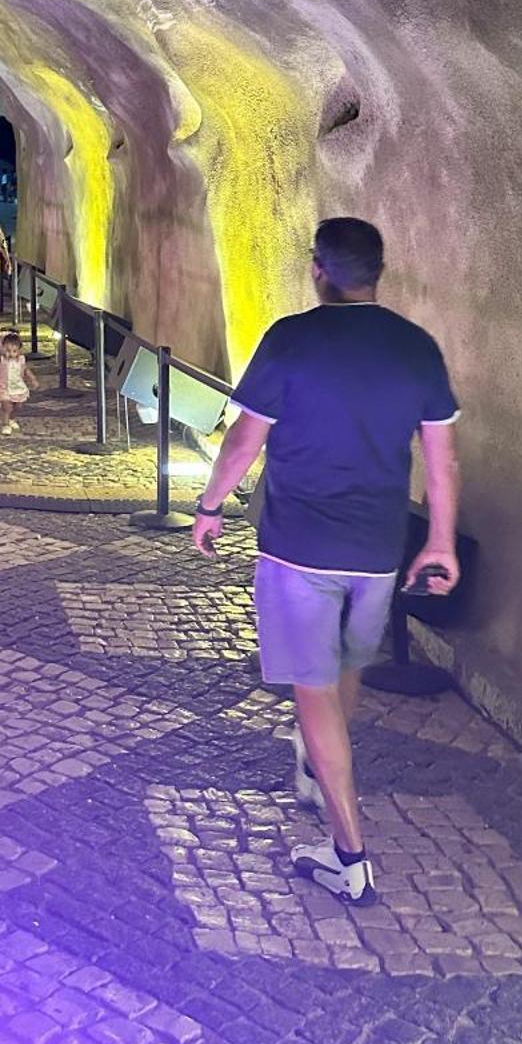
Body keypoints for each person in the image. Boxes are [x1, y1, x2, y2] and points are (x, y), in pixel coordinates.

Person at [191, 217, 461, 907]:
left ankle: (350, 855)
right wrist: (439, 542)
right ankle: (316, 771)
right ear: (377, 271)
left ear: (318, 269)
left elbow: (244, 440)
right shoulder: (416, 349)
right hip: (376, 549)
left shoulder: (292, 339)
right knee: (343, 673)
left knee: (312, 691)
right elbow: (440, 460)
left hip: (298, 547)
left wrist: (212, 505)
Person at [0, 332, 38, 433]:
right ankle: (5, 424)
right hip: (3, 387)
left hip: (17, 386)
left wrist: (32, 379)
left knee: (18, 406)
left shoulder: (21, 360)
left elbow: (26, 370)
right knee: (6, 406)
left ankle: (12, 419)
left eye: (14, 351)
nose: (10, 353)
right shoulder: (1, 359)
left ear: (19, 351)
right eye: (7, 350)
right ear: (2, 348)